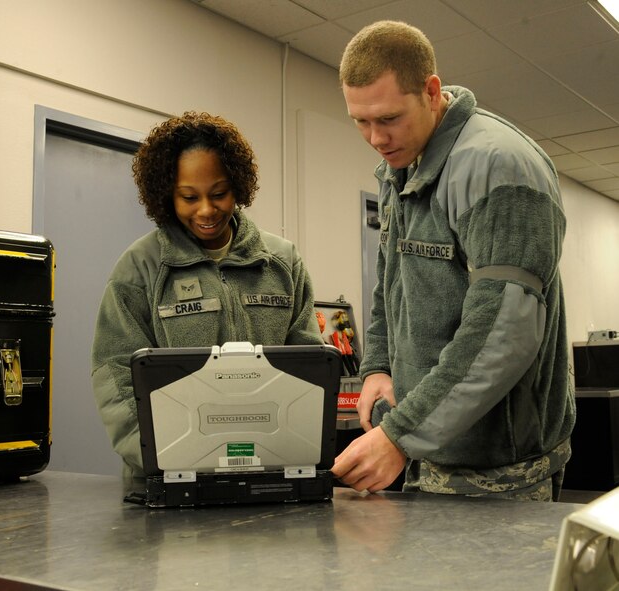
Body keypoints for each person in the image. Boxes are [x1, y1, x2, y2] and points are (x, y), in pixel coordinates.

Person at [331, 21, 575, 501]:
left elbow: (503, 328)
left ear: (431, 91)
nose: (376, 138)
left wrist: (401, 433)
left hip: (500, 468)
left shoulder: (500, 168)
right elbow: (391, 282)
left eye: (389, 118)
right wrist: (378, 366)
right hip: (430, 450)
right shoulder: (403, 165)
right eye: (361, 121)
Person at [91, 111, 323, 489]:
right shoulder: (141, 268)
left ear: (238, 186)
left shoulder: (282, 263)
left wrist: (293, 450)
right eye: (188, 197)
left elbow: (309, 367)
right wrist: (161, 455)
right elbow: (113, 373)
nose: (205, 210)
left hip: (269, 473)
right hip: (169, 480)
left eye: (219, 193)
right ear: (167, 195)